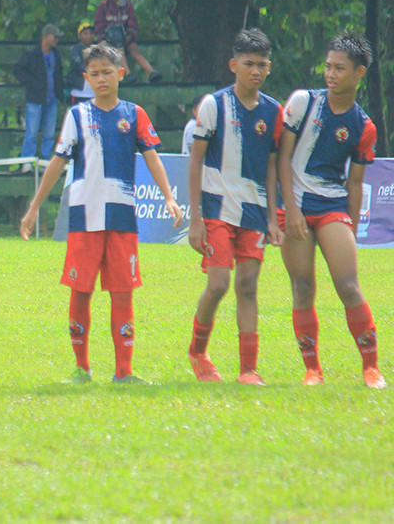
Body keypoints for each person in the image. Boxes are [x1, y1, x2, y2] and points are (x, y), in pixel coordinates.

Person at [20, 43, 183, 385]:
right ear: (86, 78)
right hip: (84, 217)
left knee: (123, 291)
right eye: (94, 74)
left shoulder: (134, 114)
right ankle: (82, 368)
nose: (101, 79)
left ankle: (124, 371)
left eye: (107, 72)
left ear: (121, 73)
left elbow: (152, 156)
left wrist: (169, 197)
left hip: (122, 217)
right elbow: (58, 162)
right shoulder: (77, 116)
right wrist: (34, 206)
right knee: (81, 291)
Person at [278, 31, 385, 389]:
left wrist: (351, 227)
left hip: (331, 205)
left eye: (340, 68)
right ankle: (313, 370)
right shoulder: (301, 102)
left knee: (348, 285)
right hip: (295, 204)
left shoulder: (364, 126)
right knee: (303, 286)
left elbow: (354, 182)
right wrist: (290, 207)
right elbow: (283, 157)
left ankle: (371, 367)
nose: (331, 74)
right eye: (328, 67)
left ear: (360, 73)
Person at [186, 30, 283, 385]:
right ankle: (198, 352)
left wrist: (274, 217)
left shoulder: (274, 111)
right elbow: (195, 161)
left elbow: (273, 167)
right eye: (248, 64)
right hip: (216, 209)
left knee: (248, 286)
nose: (255, 70)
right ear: (233, 65)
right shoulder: (215, 105)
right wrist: (195, 218)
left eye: (261, 65)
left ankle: (248, 369)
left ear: (269, 67)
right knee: (218, 284)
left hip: (255, 213)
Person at [15, 24, 65, 174]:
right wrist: (32, 84)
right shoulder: (31, 54)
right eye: (54, 36)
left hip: (52, 99)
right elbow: (17, 70)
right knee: (31, 132)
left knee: (49, 134)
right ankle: (27, 162)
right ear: (46, 36)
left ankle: (45, 162)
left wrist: (60, 93)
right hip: (35, 99)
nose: (56, 40)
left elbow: (58, 75)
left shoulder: (56, 55)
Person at [93, 0, 162, 84]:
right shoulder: (103, 6)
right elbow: (99, 26)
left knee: (134, 49)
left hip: (126, 38)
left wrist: (129, 36)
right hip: (110, 41)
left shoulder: (127, 5)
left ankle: (151, 72)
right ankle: (128, 74)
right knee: (119, 49)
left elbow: (133, 23)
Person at [67, 23, 96, 105]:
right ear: (80, 36)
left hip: (94, 93)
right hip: (79, 93)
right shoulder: (75, 50)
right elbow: (79, 65)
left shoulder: (97, 50)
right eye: (85, 33)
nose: (89, 36)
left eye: (91, 33)